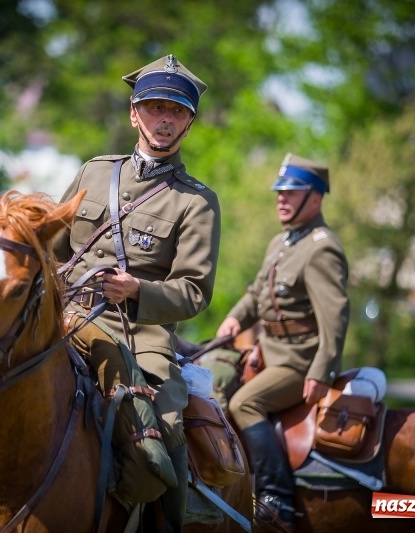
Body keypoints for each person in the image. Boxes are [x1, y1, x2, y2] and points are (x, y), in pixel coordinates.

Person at [53, 54, 221, 532]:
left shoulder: (197, 202)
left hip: (138, 333)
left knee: (162, 435)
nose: (164, 119)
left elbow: (194, 291)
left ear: (189, 124)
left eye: (177, 111)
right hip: (66, 314)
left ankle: (166, 523)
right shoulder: (93, 173)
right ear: (134, 113)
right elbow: (54, 248)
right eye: (155, 107)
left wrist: (136, 289)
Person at [214, 153, 350, 532]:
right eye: (279, 191)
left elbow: (336, 317)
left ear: (316, 198)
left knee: (245, 403)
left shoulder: (322, 248)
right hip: (270, 353)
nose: (281, 198)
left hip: (300, 360)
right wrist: (235, 319)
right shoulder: (281, 241)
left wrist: (322, 370)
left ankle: (277, 500)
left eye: (291, 192)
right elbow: (256, 294)